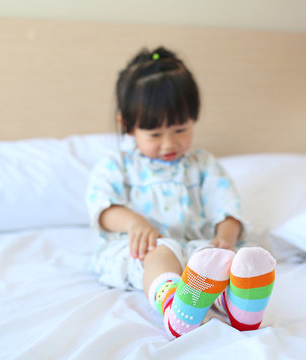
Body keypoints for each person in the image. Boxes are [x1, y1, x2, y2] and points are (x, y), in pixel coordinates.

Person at [86, 46, 275, 338]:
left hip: (194, 249)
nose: (168, 143)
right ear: (127, 125)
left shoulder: (203, 165)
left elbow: (226, 207)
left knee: (216, 258)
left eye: (180, 130)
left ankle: (237, 307)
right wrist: (135, 223)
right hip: (143, 249)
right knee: (161, 252)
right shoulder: (117, 164)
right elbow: (103, 207)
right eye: (155, 134)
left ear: (193, 118)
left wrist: (225, 238)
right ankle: (175, 307)